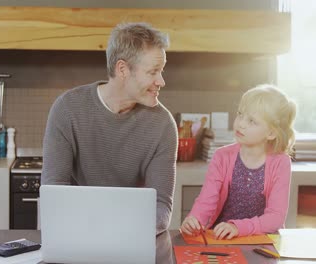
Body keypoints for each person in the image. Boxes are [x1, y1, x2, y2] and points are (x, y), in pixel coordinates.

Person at [41, 22, 178, 233]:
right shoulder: (68, 109)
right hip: (77, 231)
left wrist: (119, 231)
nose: (161, 81)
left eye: (161, 71)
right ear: (122, 69)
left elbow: (161, 207)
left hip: (133, 235)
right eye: (153, 72)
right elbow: (54, 192)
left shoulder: (163, 125)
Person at [180, 84, 297, 239]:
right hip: (222, 237)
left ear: (271, 133)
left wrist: (238, 227)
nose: (241, 123)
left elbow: (275, 218)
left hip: (261, 240)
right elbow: (206, 201)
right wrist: (194, 220)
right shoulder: (222, 156)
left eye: (252, 121)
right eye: (240, 114)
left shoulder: (281, 163)